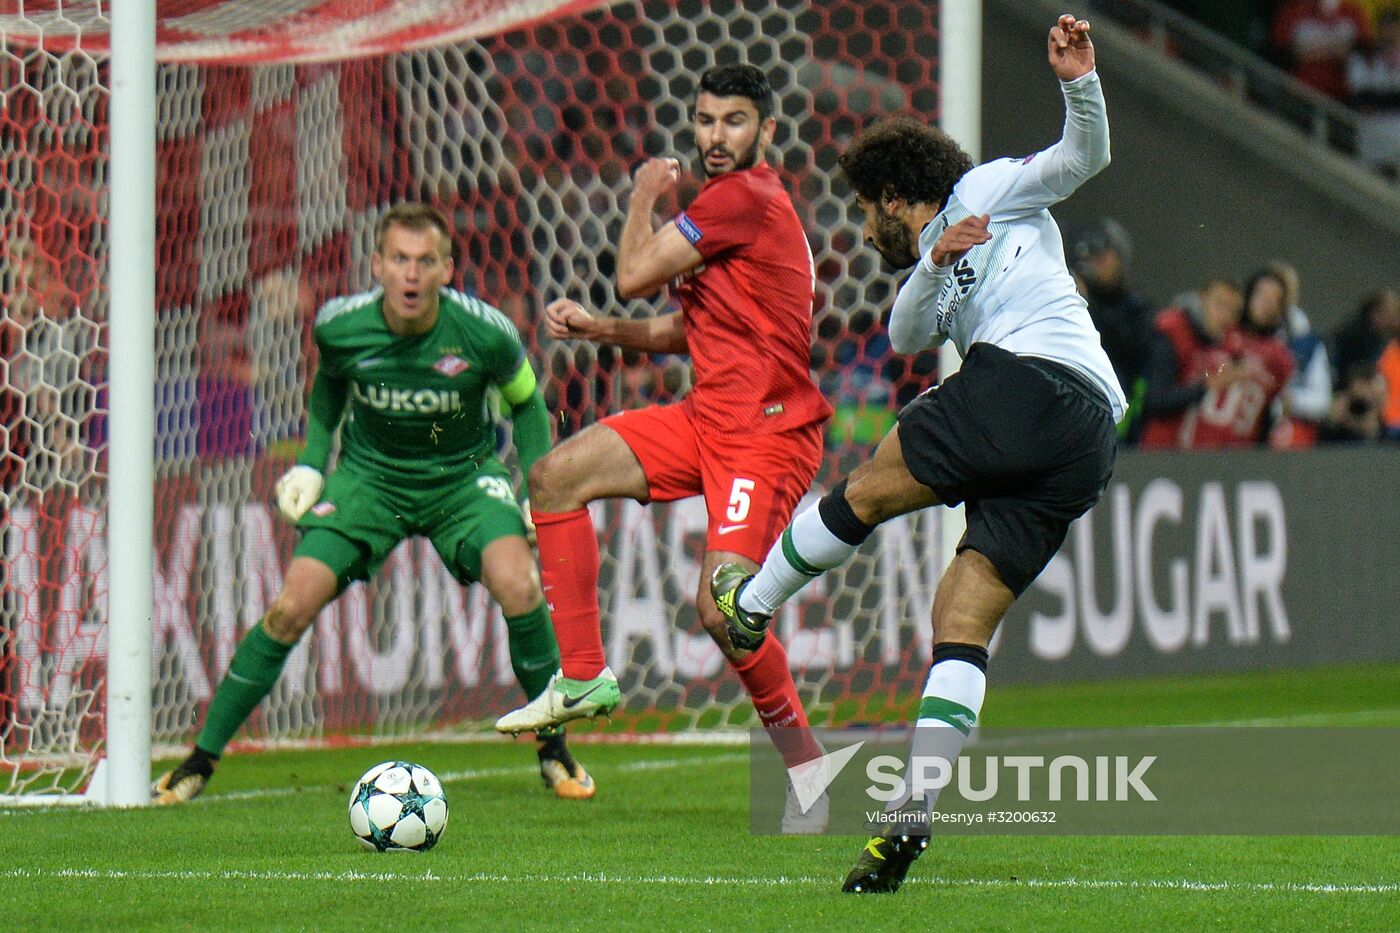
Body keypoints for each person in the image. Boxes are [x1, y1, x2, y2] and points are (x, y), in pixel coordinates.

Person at [710, 15, 1123, 892]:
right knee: (962, 612)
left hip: (1033, 379)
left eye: (869, 212)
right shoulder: (930, 264)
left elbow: (1079, 159)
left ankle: (751, 604)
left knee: (864, 487)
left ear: (896, 194)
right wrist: (934, 261)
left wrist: (1079, 84)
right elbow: (904, 333)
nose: (866, 230)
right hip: (1085, 437)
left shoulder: (989, 187)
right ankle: (915, 810)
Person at [153, 203, 595, 803]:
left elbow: (530, 406)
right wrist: (313, 458)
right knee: (290, 606)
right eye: (399, 261)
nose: (411, 275)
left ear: (446, 269)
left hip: (460, 478)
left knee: (519, 585)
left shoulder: (486, 333)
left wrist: (532, 492)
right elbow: (330, 382)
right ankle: (200, 760)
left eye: (425, 262)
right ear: (377, 266)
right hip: (369, 480)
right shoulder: (340, 327)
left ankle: (553, 750)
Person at [493, 64, 834, 830]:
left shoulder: (742, 197)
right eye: (707, 119)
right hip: (706, 415)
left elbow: (633, 274)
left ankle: (810, 766)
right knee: (554, 476)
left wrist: (645, 192)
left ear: (766, 132)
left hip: (765, 433)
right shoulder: (732, 212)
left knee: (721, 611)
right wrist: (602, 332)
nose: (716, 136)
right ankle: (581, 676)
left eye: (735, 121)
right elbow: (691, 329)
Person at [1139, 276, 1295, 449]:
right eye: (1220, 305)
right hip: (1161, 451)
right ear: (1202, 299)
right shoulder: (1174, 332)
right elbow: (1155, 399)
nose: (1225, 316)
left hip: (1209, 456)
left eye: (1233, 311)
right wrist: (1207, 385)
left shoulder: (1227, 346)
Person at [1068, 216, 1151, 441]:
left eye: (1102, 255)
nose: (1094, 264)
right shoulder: (1068, 299)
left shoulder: (1136, 308)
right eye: (1088, 258)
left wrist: (1087, 304)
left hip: (1119, 423)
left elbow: (1130, 349)